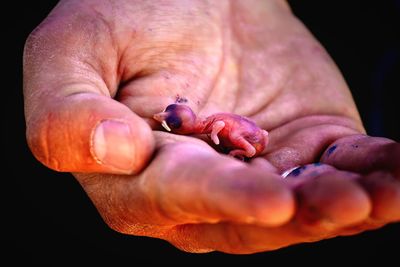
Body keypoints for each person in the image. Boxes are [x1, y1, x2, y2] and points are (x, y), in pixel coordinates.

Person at [23, 0, 399, 254]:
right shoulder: (202, 120)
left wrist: (239, 148)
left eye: (171, 122)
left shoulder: (213, 126)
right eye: (172, 121)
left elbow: (222, 130)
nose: (165, 121)